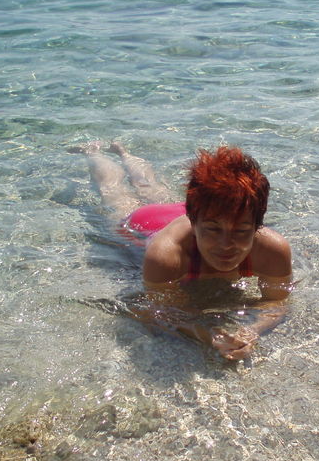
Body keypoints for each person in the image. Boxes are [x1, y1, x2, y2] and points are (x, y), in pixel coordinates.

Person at [70, 141, 292, 361]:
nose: (226, 244)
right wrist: (209, 336)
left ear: (257, 226)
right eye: (214, 230)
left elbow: (276, 303)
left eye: (241, 231)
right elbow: (163, 312)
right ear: (192, 221)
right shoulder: (165, 255)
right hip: (144, 224)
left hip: (212, 212)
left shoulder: (272, 249)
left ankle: (124, 152)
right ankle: (93, 152)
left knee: (149, 186)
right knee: (113, 191)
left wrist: (252, 330)